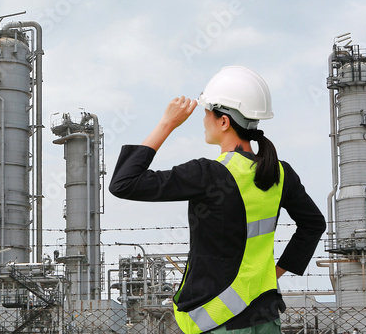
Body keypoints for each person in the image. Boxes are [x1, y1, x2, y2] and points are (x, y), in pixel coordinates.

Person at [109, 66, 326, 333]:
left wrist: (167, 124)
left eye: (206, 113)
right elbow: (314, 224)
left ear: (224, 122)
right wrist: (275, 272)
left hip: (218, 319)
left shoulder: (208, 174)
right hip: (265, 316)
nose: (203, 120)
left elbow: (124, 183)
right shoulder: (280, 173)